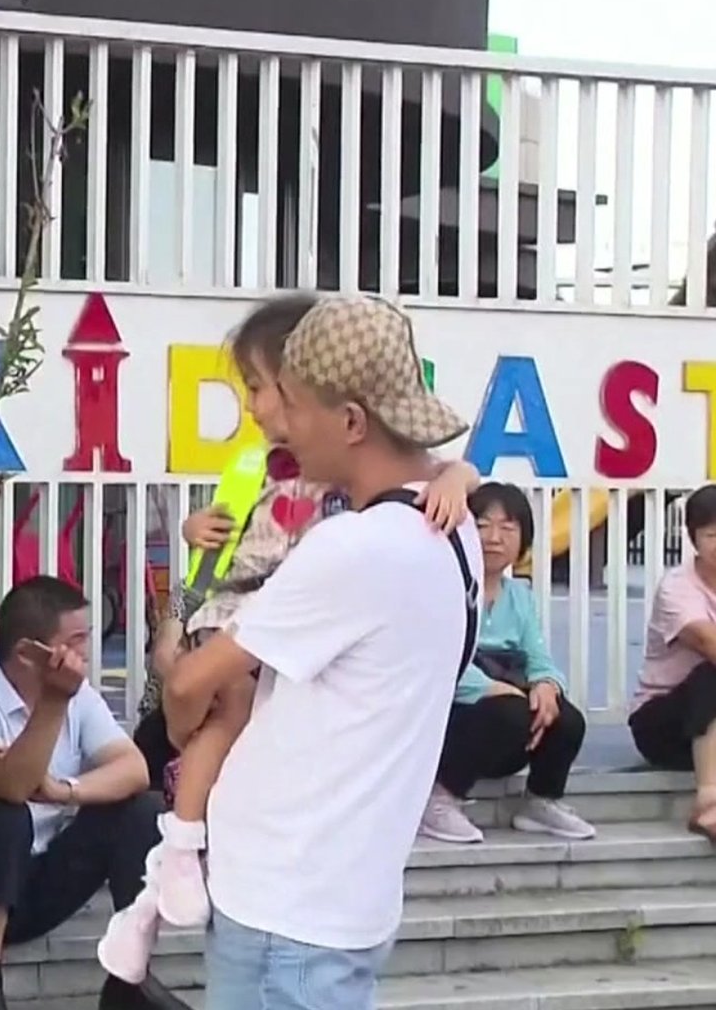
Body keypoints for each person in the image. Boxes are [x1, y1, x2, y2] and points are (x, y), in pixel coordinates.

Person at [106, 294, 472, 984]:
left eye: (289, 402)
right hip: (338, 898)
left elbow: (188, 686)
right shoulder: (452, 532)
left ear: (353, 421)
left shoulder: (353, 548)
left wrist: (188, 712)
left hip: (287, 915)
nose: (271, 420)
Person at [0, 576, 160, 1010]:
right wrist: (54, 700)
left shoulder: (79, 698)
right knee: (2, 814)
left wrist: (66, 791)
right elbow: (12, 786)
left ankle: (128, 979)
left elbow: (135, 768)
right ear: (28, 653)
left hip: (36, 883)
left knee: (140, 809)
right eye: (75, 641)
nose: (86, 652)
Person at [422, 481, 595, 843]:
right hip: (447, 713)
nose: (494, 538)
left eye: (508, 528)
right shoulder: (442, 585)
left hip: (504, 715)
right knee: (511, 711)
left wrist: (547, 685)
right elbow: (437, 659)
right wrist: (494, 688)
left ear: (523, 541)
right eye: (483, 526)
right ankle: (439, 800)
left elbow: (538, 654)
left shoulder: (520, 595)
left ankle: (540, 802)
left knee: (565, 718)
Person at [629, 483, 716, 842]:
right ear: (694, 539)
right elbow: (710, 644)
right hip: (663, 725)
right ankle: (709, 801)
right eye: (713, 534)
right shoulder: (678, 587)